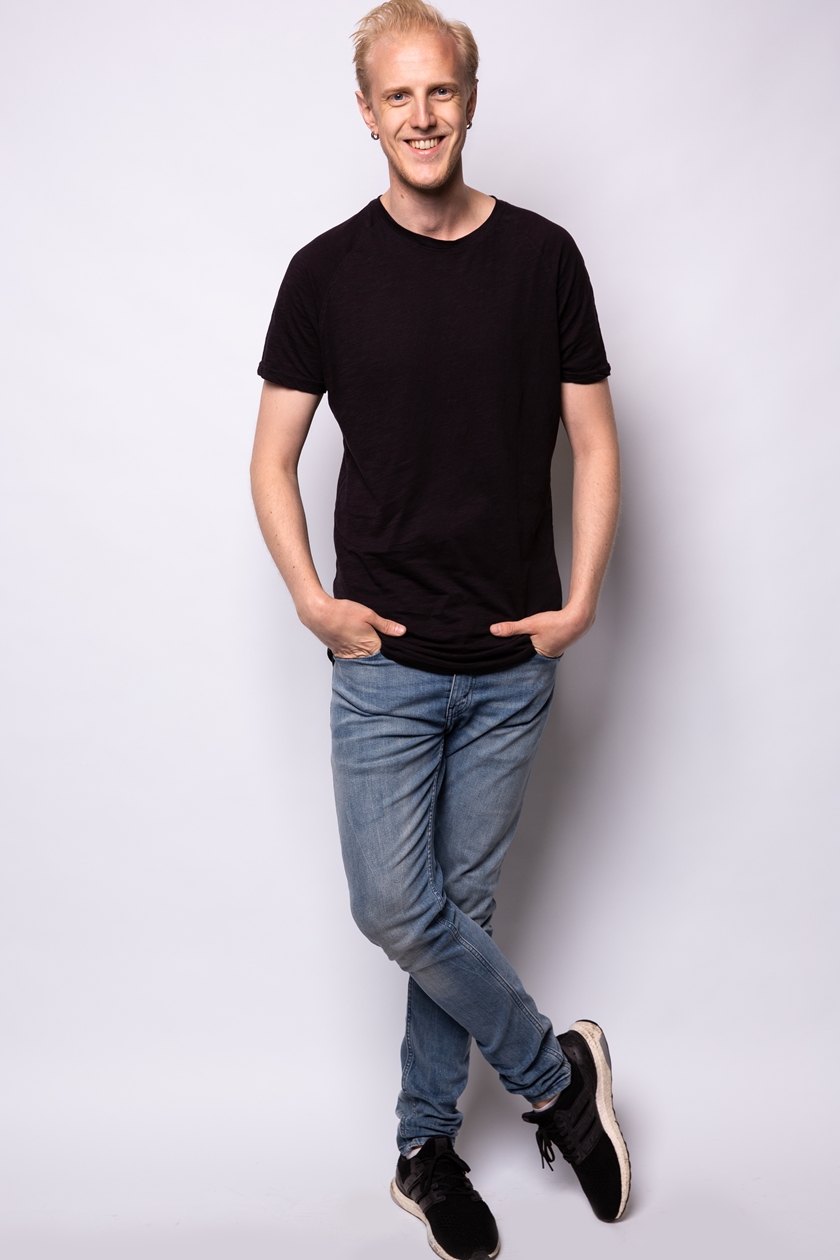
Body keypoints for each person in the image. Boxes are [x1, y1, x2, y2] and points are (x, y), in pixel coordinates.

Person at [250, 2, 629, 1255]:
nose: (423, 116)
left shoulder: (544, 258)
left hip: (513, 665)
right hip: (386, 666)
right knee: (400, 911)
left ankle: (423, 1150)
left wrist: (581, 600)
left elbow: (594, 442)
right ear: (367, 113)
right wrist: (312, 599)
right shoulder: (325, 272)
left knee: (452, 912)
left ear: (470, 99)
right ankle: (556, 1077)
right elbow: (271, 457)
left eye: (442, 92)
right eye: (398, 96)